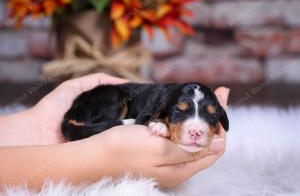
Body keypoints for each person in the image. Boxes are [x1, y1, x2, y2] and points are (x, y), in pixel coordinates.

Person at [0, 73, 229, 190]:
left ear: (220, 117)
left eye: (209, 115)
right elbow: (144, 119)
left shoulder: (169, 101)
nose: (197, 129)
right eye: (180, 114)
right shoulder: (160, 104)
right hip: (91, 109)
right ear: (165, 110)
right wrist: (106, 156)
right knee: (115, 100)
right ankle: (91, 128)